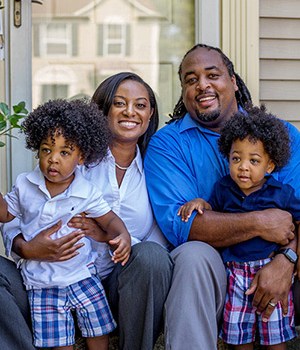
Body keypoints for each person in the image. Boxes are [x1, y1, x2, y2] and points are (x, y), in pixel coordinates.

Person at [1, 72, 173, 350]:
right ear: (102, 110)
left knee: (152, 256)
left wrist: (109, 235)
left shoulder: (156, 168)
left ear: (150, 114)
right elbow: (21, 209)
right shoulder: (69, 158)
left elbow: (156, 248)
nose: (130, 111)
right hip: (48, 279)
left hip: (119, 290)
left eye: (140, 105)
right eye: (119, 103)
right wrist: (29, 248)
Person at [144, 43, 300, 350]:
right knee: (192, 256)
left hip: (283, 258)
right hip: (218, 268)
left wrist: (287, 260)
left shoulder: (281, 135)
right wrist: (260, 222)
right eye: (191, 80)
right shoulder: (168, 144)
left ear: (233, 81)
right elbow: (186, 226)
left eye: (212, 75)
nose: (202, 84)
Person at [0, 98, 134, 349]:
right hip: (42, 283)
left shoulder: (86, 191)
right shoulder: (25, 185)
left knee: (98, 333)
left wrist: (122, 235)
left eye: (64, 152)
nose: (53, 159)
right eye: (46, 150)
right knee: (60, 343)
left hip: (83, 276)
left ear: (81, 157)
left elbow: (110, 220)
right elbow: (6, 215)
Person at [178, 105, 299, 349]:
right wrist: (201, 203)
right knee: (237, 338)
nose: (243, 166)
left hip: (270, 269)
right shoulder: (224, 189)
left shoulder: (281, 194)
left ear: (270, 166)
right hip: (234, 275)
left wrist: (290, 255)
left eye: (254, 161)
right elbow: (215, 213)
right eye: (236, 159)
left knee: (275, 339)